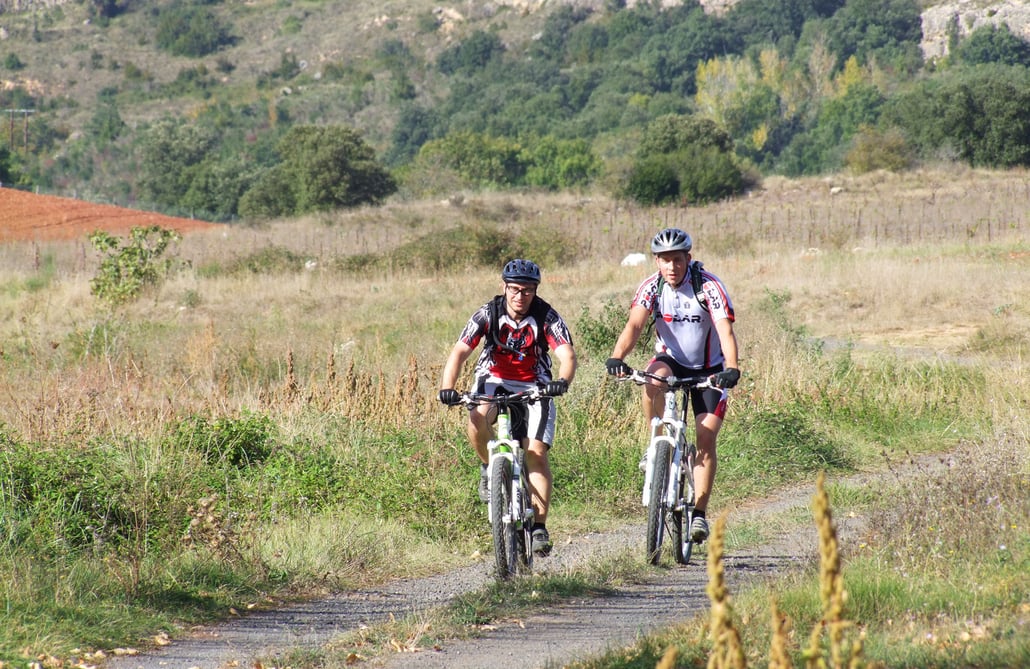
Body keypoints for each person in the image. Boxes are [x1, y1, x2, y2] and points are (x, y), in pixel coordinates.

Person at [605, 228, 740, 544]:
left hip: (710, 369)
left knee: (705, 439)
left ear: (687, 259)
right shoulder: (651, 287)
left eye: (677, 260)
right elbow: (635, 325)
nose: (671, 267)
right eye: (664, 260)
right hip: (671, 360)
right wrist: (616, 356)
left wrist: (732, 368)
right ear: (656, 261)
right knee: (652, 380)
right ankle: (657, 439)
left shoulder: (708, 287)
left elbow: (725, 331)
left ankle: (699, 515)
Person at [439, 259, 577, 557]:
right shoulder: (487, 313)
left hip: (535, 384)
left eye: (527, 290)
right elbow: (461, 350)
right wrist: (447, 388)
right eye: (515, 289)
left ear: (535, 291)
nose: (520, 296)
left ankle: (539, 527)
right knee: (477, 416)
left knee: (535, 452)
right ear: (504, 288)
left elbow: (567, 355)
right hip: (493, 379)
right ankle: (489, 467)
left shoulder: (547, 316)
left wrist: (562, 381)